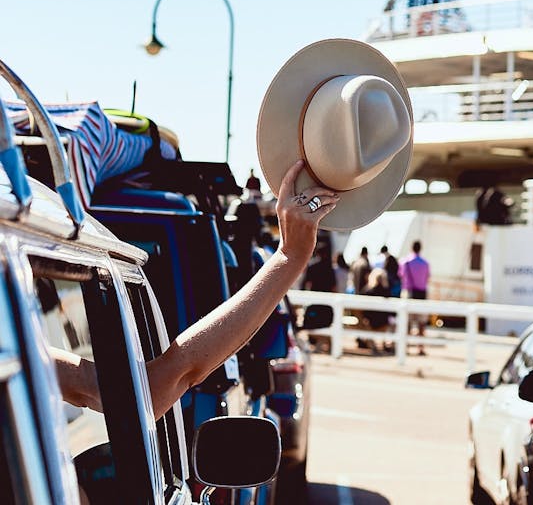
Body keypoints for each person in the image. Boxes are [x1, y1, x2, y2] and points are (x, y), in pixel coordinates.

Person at [52, 160, 339, 420]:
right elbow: (155, 388)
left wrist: (289, 257)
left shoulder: (28, 358)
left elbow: (154, 387)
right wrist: (288, 258)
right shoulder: (32, 359)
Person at [399, 240, 430, 355]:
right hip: (421, 294)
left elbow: (401, 275)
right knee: (421, 323)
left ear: (411, 248)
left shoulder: (405, 262)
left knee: (407, 321)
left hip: (409, 293)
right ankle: (420, 347)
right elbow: (427, 278)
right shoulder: (425, 263)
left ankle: (405, 347)